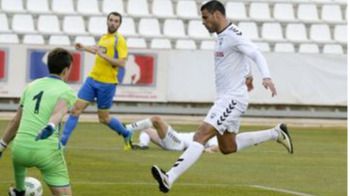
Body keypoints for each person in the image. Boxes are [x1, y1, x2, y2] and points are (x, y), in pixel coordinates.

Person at [151, 1, 293, 193]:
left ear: (217, 14)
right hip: (227, 97)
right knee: (227, 147)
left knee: (200, 135)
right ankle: (276, 133)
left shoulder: (234, 34)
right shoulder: (220, 36)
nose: (203, 22)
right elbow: (241, 57)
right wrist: (249, 74)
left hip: (232, 99)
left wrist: (266, 77)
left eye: (205, 17)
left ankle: (169, 177)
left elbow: (255, 53)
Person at [0, 48, 76, 196]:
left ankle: (19, 191)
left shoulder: (31, 86)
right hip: (45, 151)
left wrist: (2, 144)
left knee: (20, 189)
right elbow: (59, 113)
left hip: (19, 150)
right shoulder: (66, 90)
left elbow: (16, 120)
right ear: (66, 70)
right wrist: (51, 125)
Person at [61, 12, 133, 150]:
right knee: (75, 110)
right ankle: (62, 143)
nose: (113, 23)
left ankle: (126, 132)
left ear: (119, 24)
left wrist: (103, 55)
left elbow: (122, 63)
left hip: (107, 84)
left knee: (103, 118)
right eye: (111, 20)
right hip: (92, 79)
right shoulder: (104, 37)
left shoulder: (120, 40)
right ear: (107, 21)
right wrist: (83, 47)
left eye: (116, 21)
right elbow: (97, 50)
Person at [126, 116, 219, 153]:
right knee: (146, 129)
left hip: (178, 144)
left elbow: (215, 147)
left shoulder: (213, 135)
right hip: (174, 138)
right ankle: (143, 145)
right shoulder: (206, 132)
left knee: (156, 120)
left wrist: (203, 150)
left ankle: (127, 128)